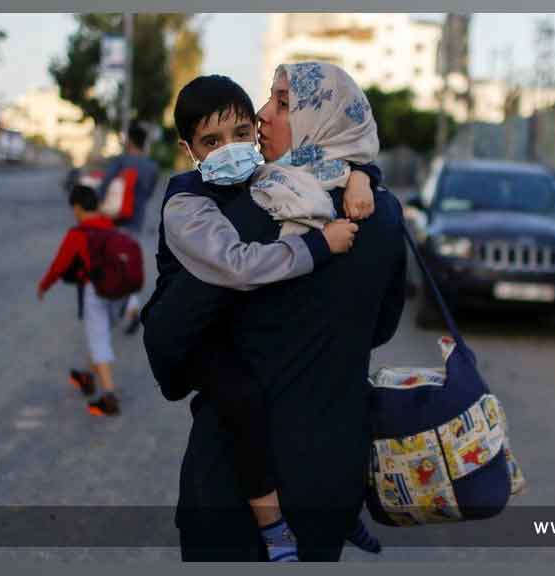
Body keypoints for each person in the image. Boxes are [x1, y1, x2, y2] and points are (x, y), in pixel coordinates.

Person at [144, 62, 406, 561]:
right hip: (331, 478)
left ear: (319, 118)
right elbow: (381, 327)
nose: (264, 114)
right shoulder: (384, 212)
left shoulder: (249, 211)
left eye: (283, 104)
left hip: (232, 489)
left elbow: (168, 334)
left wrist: (183, 375)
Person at [37, 186, 124, 416]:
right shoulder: (110, 226)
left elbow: (59, 265)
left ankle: (109, 396)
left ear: (77, 208)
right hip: (119, 291)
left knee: (98, 340)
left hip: (95, 290)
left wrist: (44, 286)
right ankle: (87, 375)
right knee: (101, 335)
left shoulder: (79, 233)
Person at [98, 125, 161, 335]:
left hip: (114, 221)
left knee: (111, 265)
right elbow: (149, 193)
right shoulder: (152, 166)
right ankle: (131, 309)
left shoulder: (120, 161)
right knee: (126, 263)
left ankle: (113, 312)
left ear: (130, 141)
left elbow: (104, 187)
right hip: (136, 222)